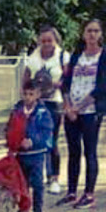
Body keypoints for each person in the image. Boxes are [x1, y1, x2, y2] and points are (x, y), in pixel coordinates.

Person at [56, 19, 106, 210]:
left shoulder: (105, 57)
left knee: (90, 151)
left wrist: (79, 107)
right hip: (71, 110)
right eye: (89, 31)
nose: (92, 35)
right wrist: (68, 106)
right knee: (73, 151)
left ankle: (89, 194)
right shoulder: (77, 56)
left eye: (96, 31)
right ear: (83, 34)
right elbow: (65, 82)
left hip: (90, 110)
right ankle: (71, 191)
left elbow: (102, 87)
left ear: (101, 34)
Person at [23, 25, 67, 194]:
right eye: (43, 40)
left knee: (51, 140)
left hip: (54, 101)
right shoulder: (33, 57)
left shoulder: (62, 56)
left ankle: (54, 177)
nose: (47, 43)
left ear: (55, 40)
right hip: (36, 103)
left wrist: (54, 84)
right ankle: (34, 175)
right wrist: (27, 97)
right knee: (33, 138)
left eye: (50, 40)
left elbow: (68, 79)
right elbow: (26, 79)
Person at [7, 80, 53, 212]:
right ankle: (23, 210)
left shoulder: (42, 112)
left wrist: (33, 141)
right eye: (25, 94)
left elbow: (46, 132)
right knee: (22, 183)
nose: (27, 97)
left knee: (38, 184)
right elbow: (10, 128)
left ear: (38, 95)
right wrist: (11, 145)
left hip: (36, 154)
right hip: (21, 154)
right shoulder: (17, 110)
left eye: (31, 94)